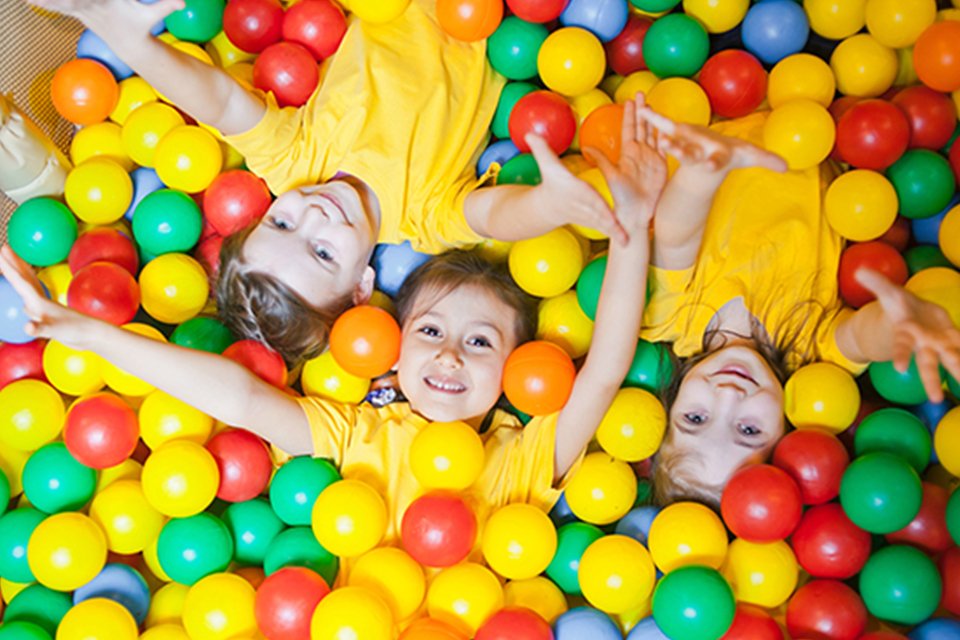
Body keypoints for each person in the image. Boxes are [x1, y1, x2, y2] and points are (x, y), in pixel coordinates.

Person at [0, 97, 666, 581]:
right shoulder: (356, 436)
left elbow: (605, 369)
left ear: (515, 373)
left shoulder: (525, 463)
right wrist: (89, 335)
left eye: (483, 343)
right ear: (389, 346)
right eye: (430, 330)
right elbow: (237, 397)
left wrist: (630, 230)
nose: (449, 354)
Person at [29, 0, 627, 367]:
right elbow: (494, 216)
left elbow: (215, 101)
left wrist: (132, 40)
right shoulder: (419, 216)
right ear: (364, 286)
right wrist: (552, 202)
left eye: (282, 222)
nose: (315, 213)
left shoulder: (294, 160)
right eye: (321, 252)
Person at [631, 106, 960, 508]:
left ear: (670, 404)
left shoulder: (669, 317)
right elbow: (860, 336)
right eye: (749, 430)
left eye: (695, 419)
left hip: (725, 115)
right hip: (829, 124)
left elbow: (675, 234)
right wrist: (905, 321)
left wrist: (703, 172)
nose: (729, 394)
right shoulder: (812, 352)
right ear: (788, 432)